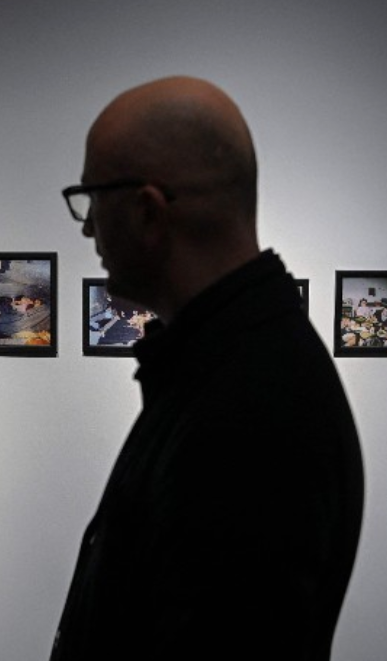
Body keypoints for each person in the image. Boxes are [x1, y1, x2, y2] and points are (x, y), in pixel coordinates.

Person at [54, 77, 364, 660]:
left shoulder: (253, 410)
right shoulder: (232, 365)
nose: (88, 227)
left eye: (92, 198)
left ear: (147, 211)